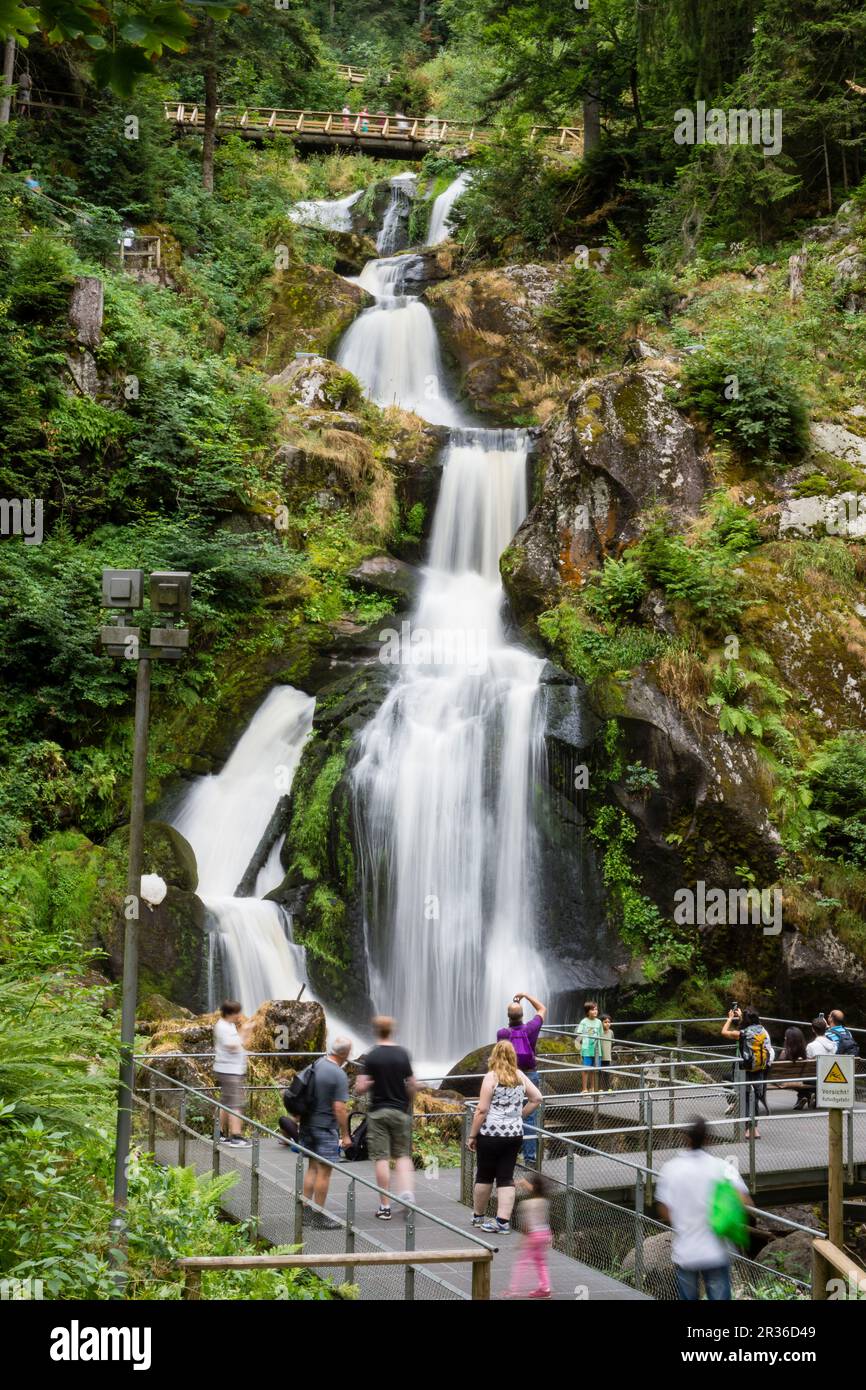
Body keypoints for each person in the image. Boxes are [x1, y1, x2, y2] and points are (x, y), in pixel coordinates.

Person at [657, 1116, 753, 1302]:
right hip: (716, 1251)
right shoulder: (721, 1167)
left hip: (686, 1251)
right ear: (708, 1139)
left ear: (686, 1139)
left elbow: (663, 1209)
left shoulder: (671, 1169)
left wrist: (683, 1218)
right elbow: (744, 1201)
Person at [468, 1041, 542, 1236]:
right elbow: (537, 1098)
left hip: (490, 1134)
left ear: (494, 1056)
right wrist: (520, 1116)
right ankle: (502, 1222)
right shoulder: (520, 1076)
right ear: (512, 1057)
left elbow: (482, 1110)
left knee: (484, 1175)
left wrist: (472, 1134)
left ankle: (478, 1216)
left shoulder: (491, 1077)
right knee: (505, 1177)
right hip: (514, 1134)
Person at [354, 1016, 416, 1221]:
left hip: (378, 1111)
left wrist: (372, 1081)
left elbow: (360, 1088)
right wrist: (408, 1103)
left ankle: (385, 1206)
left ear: (376, 1031)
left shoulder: (372, 1056)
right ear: (392, 1031)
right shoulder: (402, 1054)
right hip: (400, 1111)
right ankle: (407, 1193)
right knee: (402, 1155)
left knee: (381, 1157)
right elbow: (412, 1084)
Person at [300, 1036, 352, 1228]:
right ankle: (318, 1215)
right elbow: (339, 1108)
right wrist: (345, 1134)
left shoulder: (316, 1064)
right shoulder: (338, 1074)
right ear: (345, 1054)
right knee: (324, 1172)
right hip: (325, 1127)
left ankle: (304, 1211)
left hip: (308, 1125)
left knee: (312, 1168)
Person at [497, 990, 546, 1164]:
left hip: (511, 1075)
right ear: (522, 1015)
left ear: (508, 1016)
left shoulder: (502, 1034)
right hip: (530, 1074)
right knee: (530, 1117)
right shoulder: (531, 1028)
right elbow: (542, 1008)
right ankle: (530, 1159)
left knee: (508, 1112)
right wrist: (525, 995)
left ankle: (509, 1155)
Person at [721, 1006, 771, 1138]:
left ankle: (748, 1129)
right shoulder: (762, 1031)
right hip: (760, 1068)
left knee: (746, 1097)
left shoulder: (743, 1033)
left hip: (746, 1068)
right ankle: (755, 1128)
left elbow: (724, 1032)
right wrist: (743, 1017)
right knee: (754, 1099)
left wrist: (730, 1018)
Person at [506, 1172, 553, 1300]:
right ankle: (545, 1288)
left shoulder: (525, 1205)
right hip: (545, 1233)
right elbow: (535, 1190)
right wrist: (523, 1183)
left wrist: (521, 1242)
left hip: (534, 1234)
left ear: (532, 1187)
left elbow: (526, 1227)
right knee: (541, 1262)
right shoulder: (544, 1201)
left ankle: (513, 1290)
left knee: (521, 1262)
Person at [213, 1000, 252, 1147]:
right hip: (229, 1071)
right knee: (235, 1104)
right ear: (230, 1013)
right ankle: (236, 1136)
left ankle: (219, 1133)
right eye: (238, 1013)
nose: (240, 1016)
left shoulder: (229, 1025)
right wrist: (245, 1031)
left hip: (230, 1069)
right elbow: (233, 1046)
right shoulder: (222, 1026)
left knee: (226, 1102)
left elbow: (240, 1044)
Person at [776, 1026, 810, 1110]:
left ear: (789, 1040)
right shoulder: (804, 1053)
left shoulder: (784, 1053)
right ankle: (805, 1095)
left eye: (786, 1037)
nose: (784, 1038)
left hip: (785, 1081)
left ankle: (804, 1096)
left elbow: (778, 1071)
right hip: (801, 1080)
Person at [576, 1000, 603, 1093]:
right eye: (592, 1010)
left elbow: (601, 1035)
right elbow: (579, 1035)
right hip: (587, 1050)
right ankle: (584, 1089)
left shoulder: (599, 1022)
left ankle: (593, 1088)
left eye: (596, 1009)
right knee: (586, 1069)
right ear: (587, 1011)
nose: (595, 1011)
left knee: (595, 1070)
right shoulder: (584, 1022)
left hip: (597, 1050)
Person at [599, 1014, 614, 1091]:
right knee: (600, 1073)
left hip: (608, 1056)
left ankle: (608, 1088)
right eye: (605, 1022)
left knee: (607, 1073)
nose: (607, 1024)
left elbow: (612, 1042)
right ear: (601, 1023)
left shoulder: (611, 1032)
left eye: (609, 1022)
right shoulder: (599, 1032)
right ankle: (600, 1088)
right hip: (600, 1056)